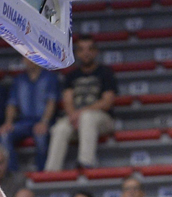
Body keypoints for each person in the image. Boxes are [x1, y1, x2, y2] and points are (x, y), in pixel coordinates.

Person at [45, 36, 118, 171]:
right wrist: (73, 115)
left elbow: (107, 102)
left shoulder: (106, 72)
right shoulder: (71, 75)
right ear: (77, 53)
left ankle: (85, 164)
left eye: (90, 49)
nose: (86, 53)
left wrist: (80, 113)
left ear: (96, 52)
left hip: (102, 119)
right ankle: (51, 171)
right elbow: (67, 100)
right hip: (77, 119)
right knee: (60, 128)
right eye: (82, 50)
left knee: (87, 117)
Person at [0, 57, 60, 171]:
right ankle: (13, 172)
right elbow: (12, 104)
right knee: (5, 134)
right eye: (26, 57)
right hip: (23, 122)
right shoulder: (18, 80)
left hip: (44, 121)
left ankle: (42, 173)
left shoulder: (50, 77)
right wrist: (8, 123)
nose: (30, 61)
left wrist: (44, 122)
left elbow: (51, 102)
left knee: (41, 136)